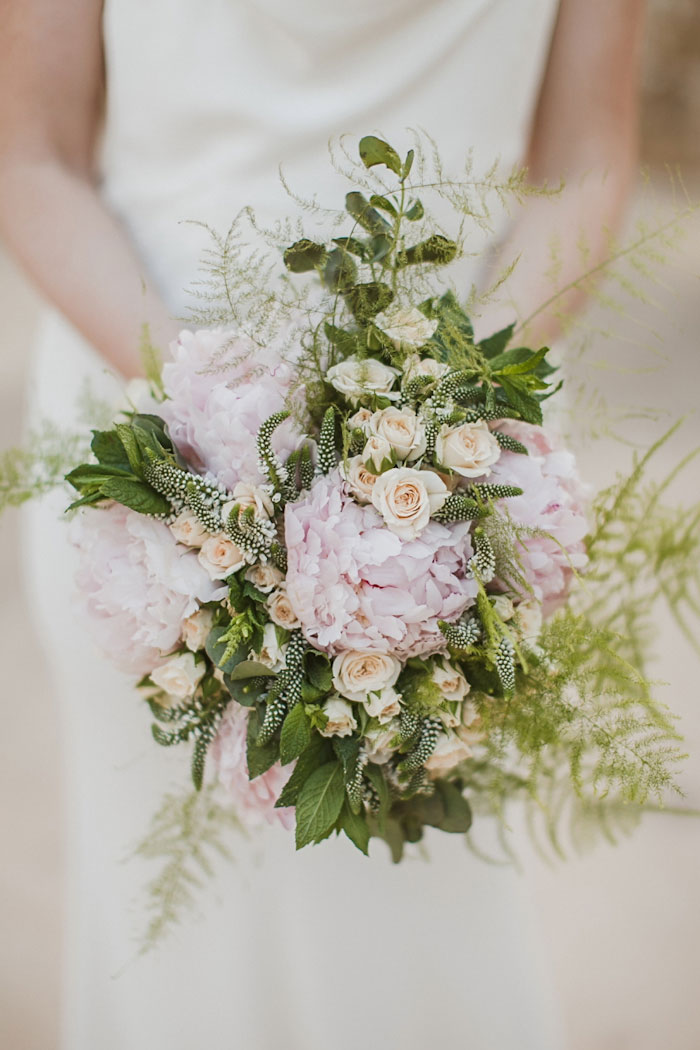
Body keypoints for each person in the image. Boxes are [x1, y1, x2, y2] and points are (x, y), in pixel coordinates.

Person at [0, 2, 645, 1048]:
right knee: (175, 940)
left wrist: (439, 409)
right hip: (157, 462)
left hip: (449, 494)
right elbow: (31, 157)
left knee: (412, 930)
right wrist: (212, 408)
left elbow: (583, 153)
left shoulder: (446, 445)